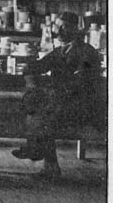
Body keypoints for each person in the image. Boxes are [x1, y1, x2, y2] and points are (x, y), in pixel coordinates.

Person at [11, 12, 101, 179]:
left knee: (42, 114)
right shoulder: (59, 51)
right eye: (57, 25)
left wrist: (53, 90)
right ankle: (43, 159)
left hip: (80, 107)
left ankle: (38, 153)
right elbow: (36, 67)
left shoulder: (86, 52)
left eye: (64, 26)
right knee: (34, 106)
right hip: (61, 103)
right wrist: (30, 70)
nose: (58, 30)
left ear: (76, 29)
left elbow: (82, 82)